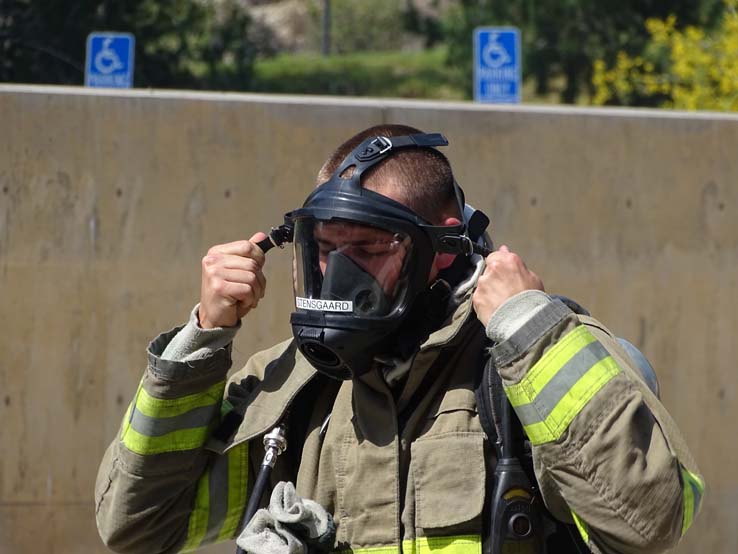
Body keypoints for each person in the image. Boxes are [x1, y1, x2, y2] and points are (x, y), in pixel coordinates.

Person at [95, 124, 703, 554]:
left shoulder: (532, 365)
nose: (338, 275)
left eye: (367, 250)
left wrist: (529, 330)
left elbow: (647, 523)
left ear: (439, 249)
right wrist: (203, 339)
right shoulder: (295, 390)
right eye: (324, 250)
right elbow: (138, 528)